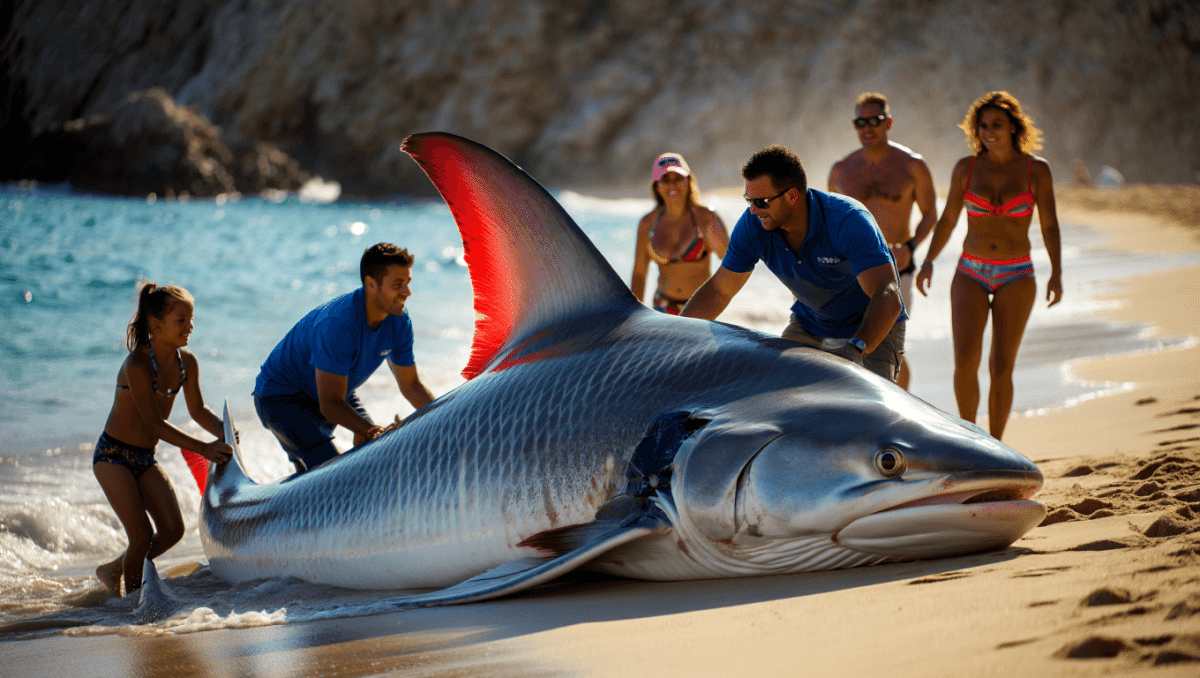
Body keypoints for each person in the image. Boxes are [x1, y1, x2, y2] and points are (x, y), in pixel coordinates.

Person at [681, 145, 907, 381]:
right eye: (749, 200)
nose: (754, 210)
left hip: (872, 329)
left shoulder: (847, 220)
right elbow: (719, 291)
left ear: (792, 196)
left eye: (762, 201)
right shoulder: (754, 225)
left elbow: (888, 295)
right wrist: (674, 334)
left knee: (866, 414)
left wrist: (856, 348)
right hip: (810, 324)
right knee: (773, 397)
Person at [916, 91, 1063, 440]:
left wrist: (1057, 272)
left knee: (1001, 366)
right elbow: (949, 219)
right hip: (970, 272)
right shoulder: (966, 169)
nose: (988, 131)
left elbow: (1050, 225)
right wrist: (928, 261)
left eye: (996, 124)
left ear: (1014, 126)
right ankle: (972, 440)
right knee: (965, 362)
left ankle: (997, 445)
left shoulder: (1036, 171)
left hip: (1017, 275)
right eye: (982, 125)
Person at [94, 283, 233, 596]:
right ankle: (131, 604)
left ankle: (115, 568)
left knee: (172, 531)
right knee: (141, 536)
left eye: (191, 319)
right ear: (155, 325)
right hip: (113, 457)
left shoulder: (187, 363)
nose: (190, 327)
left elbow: (197, 410)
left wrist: (225, 432)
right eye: (180, 320)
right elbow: (154, 423)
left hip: (144, 459)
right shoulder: (137, 365)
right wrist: (205, 448)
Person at [253, 243, 435, 474]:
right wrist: (370, 430)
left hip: (337, 392)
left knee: (376, 449)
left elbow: (411, 385)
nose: (406, 293)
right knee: (332, 473)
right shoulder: (339, 323)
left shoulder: (398, 321)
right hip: (281, 397)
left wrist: (447, 420)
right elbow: (329, 404)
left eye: (407, 284)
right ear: (371, 284)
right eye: (398, 285)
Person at [828, 92, 937, 389]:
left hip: (895, 270)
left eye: (874, 121)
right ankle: (868, 413)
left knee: (889, 347)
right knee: (852, 346)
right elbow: (831, 223)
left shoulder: (912, 165)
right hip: (852, 272)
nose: (867, 128)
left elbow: (930, 214)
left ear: (888, 122)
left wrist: (911, 247)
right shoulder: (842, 171)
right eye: (860, 122)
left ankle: (901, 413)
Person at [630, 153, 729, 314]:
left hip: (700, 307)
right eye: (665, 180)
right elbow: (639, 274)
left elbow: (731, 261)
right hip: (662, 307)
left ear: (688, 181)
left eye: (677, 178)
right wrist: (634, 315)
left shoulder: (705, 219)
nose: (672, 185)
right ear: (656, 185)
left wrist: (717, 300)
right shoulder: (647, 224)